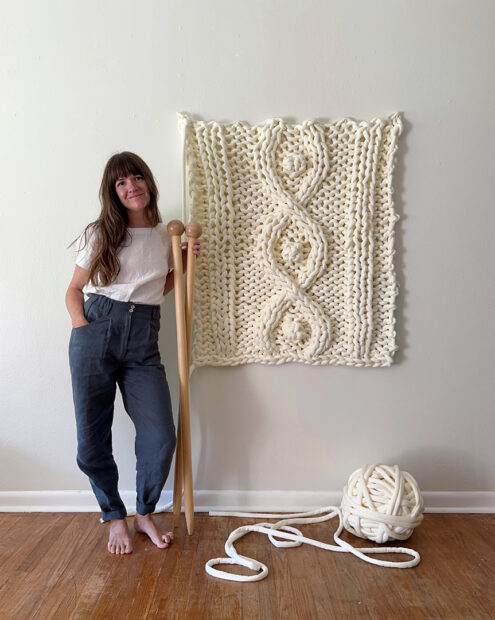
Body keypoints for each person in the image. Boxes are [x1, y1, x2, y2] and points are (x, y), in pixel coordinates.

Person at [65, 151, 200, 555]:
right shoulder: (100, 233)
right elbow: (73, 289)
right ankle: (113, 515)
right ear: (114, 192)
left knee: (160, 436)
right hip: (96, 329)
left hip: (144, 336)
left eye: (136, 178)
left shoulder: (166, 237)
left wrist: (184, 264)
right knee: (92, 439)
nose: (131, 187)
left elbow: (157, 288)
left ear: (148, 183)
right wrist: (82, 327)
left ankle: (144, 512)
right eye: (121, 183)